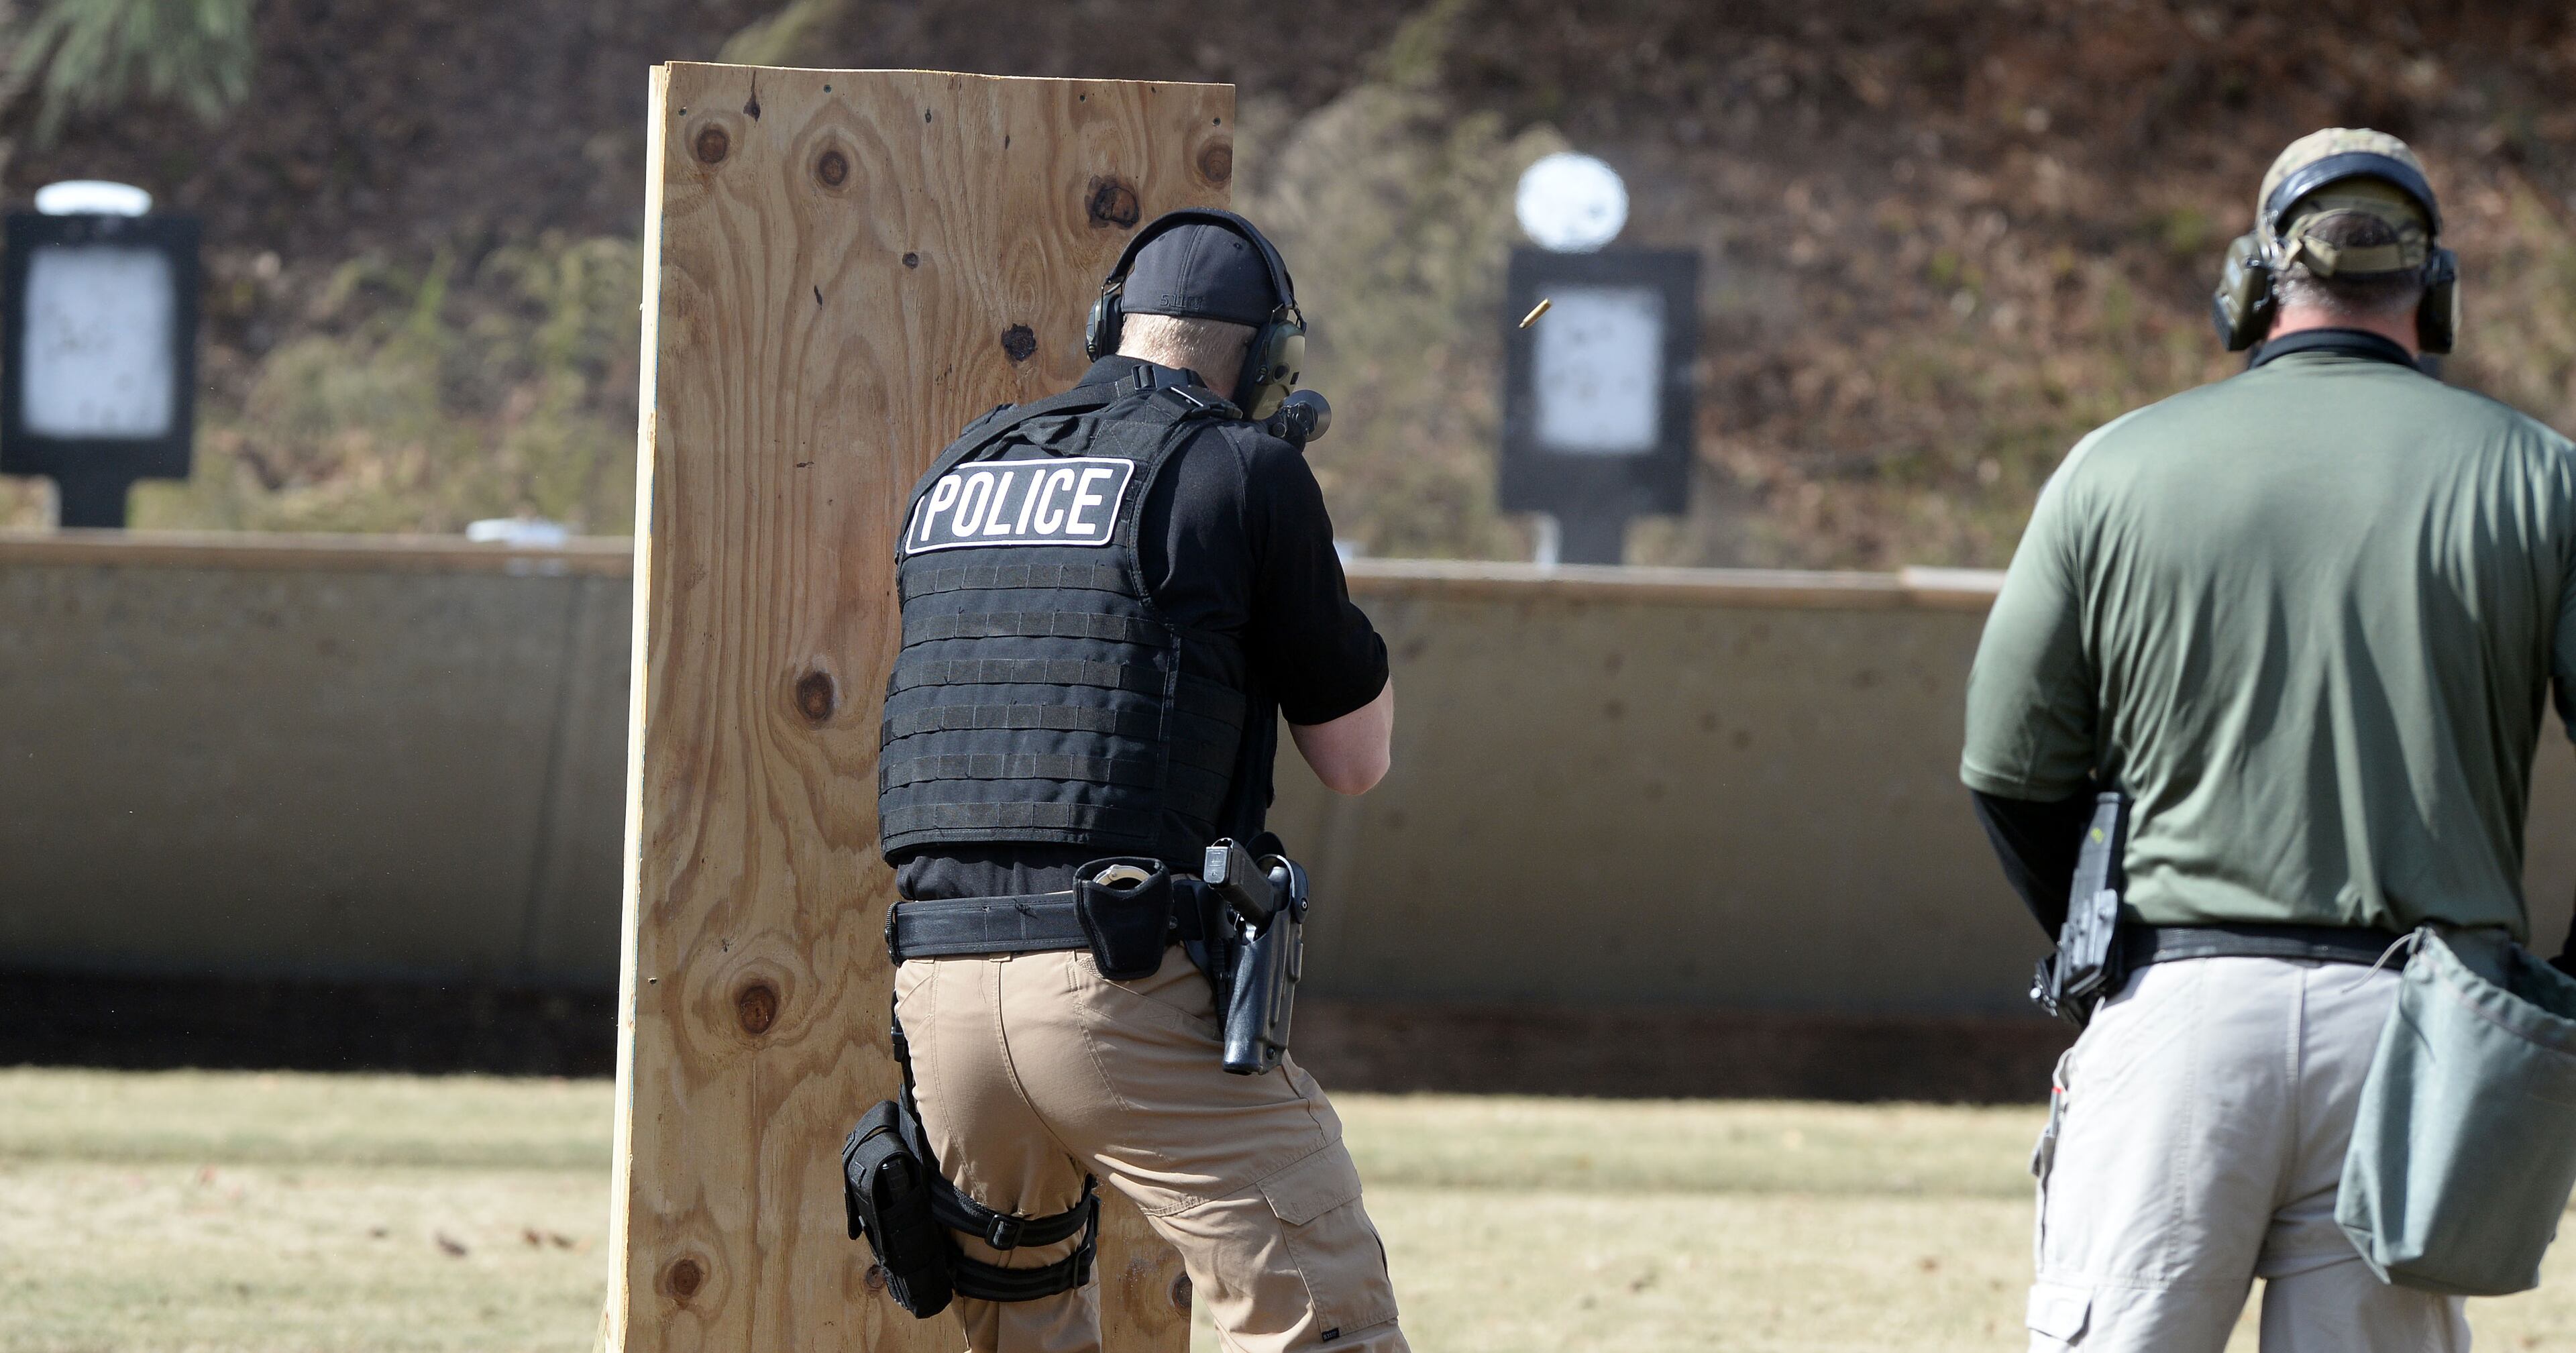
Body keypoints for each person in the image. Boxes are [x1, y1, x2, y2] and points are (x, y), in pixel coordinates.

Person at [1962, 127, 2576, 1352]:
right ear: (2435, 287)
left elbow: (2009, 769)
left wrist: (2106, 944)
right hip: (2420, 1040)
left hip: (2180, 1010)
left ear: (2249, 282)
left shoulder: (2112, 468)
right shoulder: (2542, 477)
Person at [875, 208, 1405, 1353]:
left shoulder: (964, 466)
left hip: (939, 996)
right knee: (1323, 1318)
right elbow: (1355, 758)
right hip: (1121, 985)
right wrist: (1280, 513)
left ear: (1107, 325)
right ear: (1270, 364)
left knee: (1025, 1332)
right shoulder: (1247, 471)